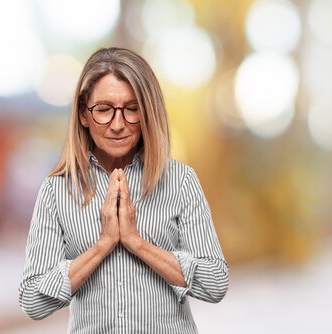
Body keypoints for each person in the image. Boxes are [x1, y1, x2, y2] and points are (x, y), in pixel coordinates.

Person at [19, 47, 228, 333]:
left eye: (131, 110)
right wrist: (103, 245)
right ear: (83, 114)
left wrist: (137, 243)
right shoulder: (57, 191)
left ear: (147, 114)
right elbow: (32, 301)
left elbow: (215, 284)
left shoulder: (180, 181)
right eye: (104, 110)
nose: (118, 125)